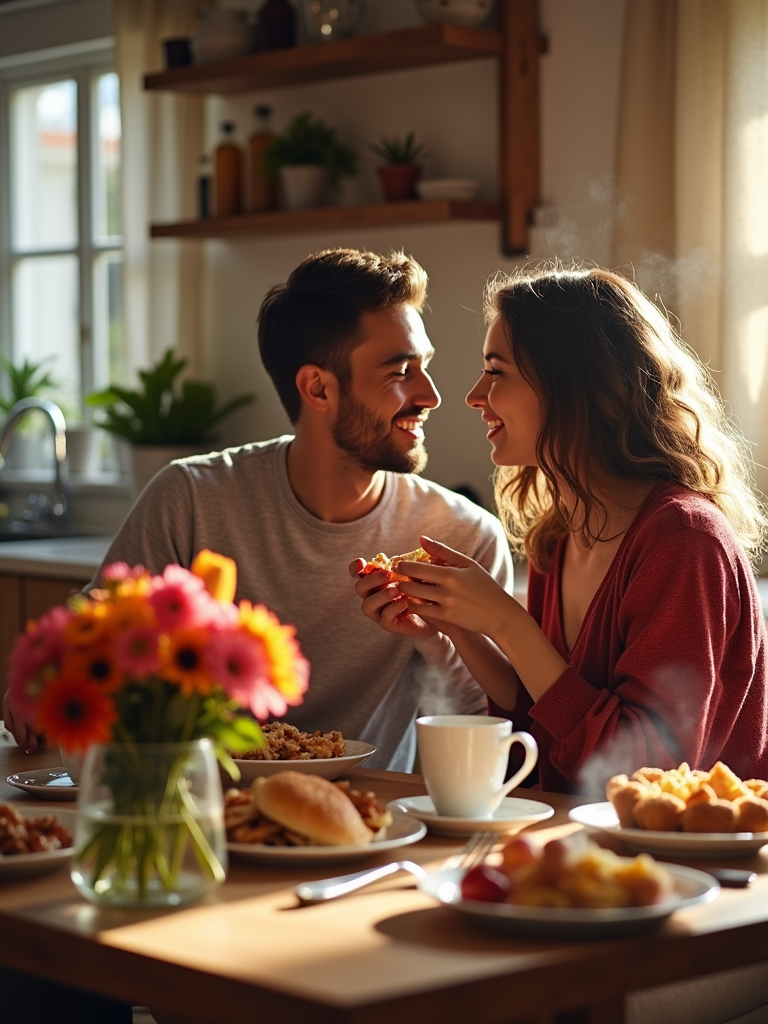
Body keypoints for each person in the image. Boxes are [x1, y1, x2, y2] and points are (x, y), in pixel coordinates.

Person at [2, 248, 513, 771]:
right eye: (400, 371)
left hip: (368, 817)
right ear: (317, 388)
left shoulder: (462, 537)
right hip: (204, 802)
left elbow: (488, 725)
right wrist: (46, 678)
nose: (431, 395)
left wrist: (436, 640)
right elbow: (92, 633)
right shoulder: (192, 498)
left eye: (423, 366)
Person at [353, 264, 768, 793]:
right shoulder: (560, 534)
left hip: (688, 862)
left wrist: (506, 621)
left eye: (497, 371)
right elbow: (543, 713)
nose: (474, 395)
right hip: (574, 842)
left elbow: (645, 773)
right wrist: (456, 625)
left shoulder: (684, 542)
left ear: (575, 386)